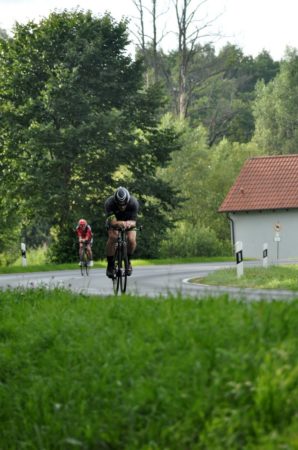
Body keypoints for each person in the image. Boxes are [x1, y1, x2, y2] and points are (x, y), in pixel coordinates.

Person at [104, 186, 139, 278]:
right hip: (114, 222)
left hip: (128, 222)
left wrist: (128, 224)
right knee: (113, 237)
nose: (122, 206)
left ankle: (128, 261)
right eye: (119, 205)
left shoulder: (133, 203)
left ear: (128, 201)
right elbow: (113, 222)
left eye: (124, 204)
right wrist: (122, 223)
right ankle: (110, 265)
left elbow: (133, 222)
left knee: (131, 239)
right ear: (116, 202)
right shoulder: (109, 203)